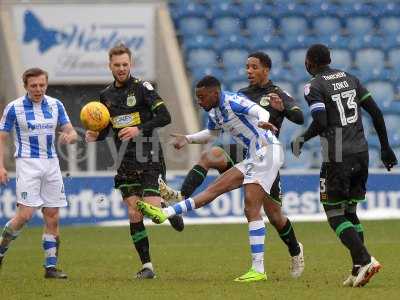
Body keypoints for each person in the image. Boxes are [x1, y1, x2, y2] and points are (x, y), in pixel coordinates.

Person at [160, 52, 305, 278]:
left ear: (266, 69)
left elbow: (299, 117)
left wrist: (284, 109)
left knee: (275, 216)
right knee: (211, 157)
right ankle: (179, 200)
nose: (249, 71)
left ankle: (295, 250)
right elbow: (215, 130)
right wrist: (188, 138)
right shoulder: (239, 95)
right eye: (247, 67)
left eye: (254, 67)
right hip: (246, 151)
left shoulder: (277, 94)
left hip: (267, 152)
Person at [138, 75, 284, 282]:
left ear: (215, 93)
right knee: (242, 204)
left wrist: (264, 122)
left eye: (202, 97)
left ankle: (166, 212)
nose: (199, 101)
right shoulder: (214, 112)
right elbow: (210, 134)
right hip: (257, 156)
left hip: (267, 151)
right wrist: (188, 139)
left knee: (226, 194)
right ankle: (258, 270)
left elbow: (258, 110)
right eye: (197, 97)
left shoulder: (232, 101)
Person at [291, 44, 398, 287]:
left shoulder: (314, 85)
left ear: (309, 62)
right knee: (350, 212)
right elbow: (377, 113)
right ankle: (357, 268)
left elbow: (320, 121)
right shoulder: (351, 79)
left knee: (333, 214)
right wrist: (385, 147)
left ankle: (365, 258)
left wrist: (301, 138)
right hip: (361, 152)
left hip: (337, 154)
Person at [85, 44, 183, 279]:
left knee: (152, 212)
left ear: (131, 65)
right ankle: (147, 266)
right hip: (124, 160)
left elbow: (165, 116)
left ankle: (167, 210)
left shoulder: (142, 88)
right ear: (110, 66)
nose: (121, 69)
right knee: (133, 212)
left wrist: (138, 129)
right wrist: (95, 135)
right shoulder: (105, 95)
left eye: (125, 65)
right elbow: (108, 129)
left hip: (148, 155)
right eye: (117, 65)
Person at [0, 67, 78, 278]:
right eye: (33, 85)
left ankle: (50, 268)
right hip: (27, 164)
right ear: (26, 86)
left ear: (46, 84)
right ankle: (1, 250)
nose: (38, 89)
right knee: (24, 216)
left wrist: (69, 137)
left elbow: (71, 131)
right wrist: (0, 166)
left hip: (51, 164)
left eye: (42, 85)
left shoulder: (55, 105)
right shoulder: (14, 108)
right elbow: (2, 137)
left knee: (52, 217)